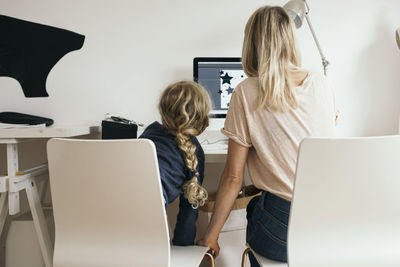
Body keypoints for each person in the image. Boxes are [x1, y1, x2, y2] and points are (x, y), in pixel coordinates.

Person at [198, 6, 336, 266]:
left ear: (252, 43)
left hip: (283, 228)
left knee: (253, 206)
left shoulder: (247, 90)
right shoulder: (322, 83)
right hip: (327, 223)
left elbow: (233, 177)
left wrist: (211, 235)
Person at [139, 81, 211, 245]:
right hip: (149, 229)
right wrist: (182, 244)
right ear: (200, 115)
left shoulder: (149, 134)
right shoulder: (194, 152)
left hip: (112, 221)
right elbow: (189, 209)